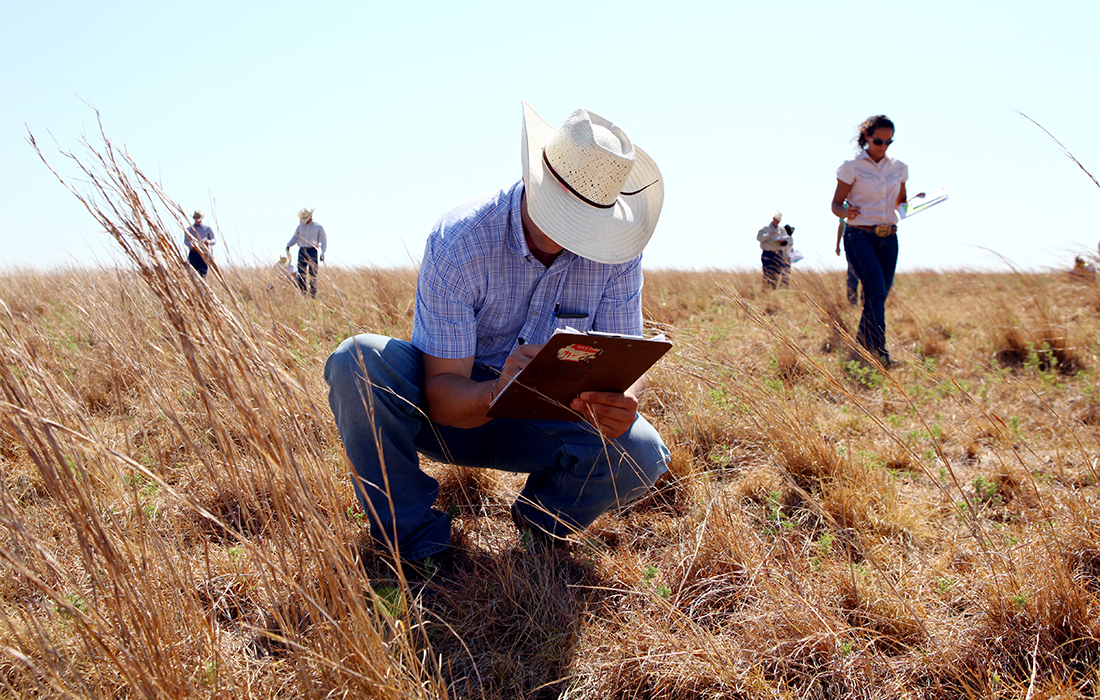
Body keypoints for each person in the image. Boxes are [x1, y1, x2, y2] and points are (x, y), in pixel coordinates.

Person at [324, 101, 669, 571]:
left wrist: (621, 399)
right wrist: (497, 389)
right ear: (534, 176)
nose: (569, 235)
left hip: (548, 418)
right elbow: (442, 395)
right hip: (451, 409)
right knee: (358, 362)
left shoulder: (617, 254)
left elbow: (625, 363)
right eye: (562, 211)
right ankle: (415, 542)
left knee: (642, 453)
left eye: (585, 222)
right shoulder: (461, 238)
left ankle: (542, 526)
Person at [831, 115, 919, 367]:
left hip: (889, 238)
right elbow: (836, 204)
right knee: (876, 291)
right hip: (860, 236)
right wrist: (844, 212)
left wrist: (919, 201)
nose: (884, 146)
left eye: (889, 141)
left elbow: (900, 203)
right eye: (879, 141)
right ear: (867, 138)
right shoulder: (852, 167)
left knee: (878, 295)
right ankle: (880, 354)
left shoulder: (899, 168)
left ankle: (862, 345)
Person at [286, 208, 327, 297]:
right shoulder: (300, 227)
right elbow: (295, 237)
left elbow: (323, 240)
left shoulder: (318, 227)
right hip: (302, 251)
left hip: (312, 251)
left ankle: (313, 294)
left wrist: (322, 253)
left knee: (313, 273)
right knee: (301, 273)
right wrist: (289, 245)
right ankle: (303, 293)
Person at [757, 212, 793, 289]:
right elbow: (759, 238)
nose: (778, 221)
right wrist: (769, 235)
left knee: (777, 273)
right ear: (773, 219)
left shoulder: (781, 230)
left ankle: (774, 289)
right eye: (777, 220)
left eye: (779, 220)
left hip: (778, 253)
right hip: (768, 253)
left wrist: (782, 241)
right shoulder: (765, 228)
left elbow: (785, 242)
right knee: (768, 272)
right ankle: (766, 289)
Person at [834, 217, 860, 306]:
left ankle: (866, 301)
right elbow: (841, 226)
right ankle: (852, 301)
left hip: (866, 239)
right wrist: (837, 245)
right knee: (852, 272)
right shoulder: (846, 204)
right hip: (851, 241)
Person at [184, 210, 215, 277]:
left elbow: (214, 240)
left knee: (203, 275)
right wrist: (192, 245)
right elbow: (186, 241)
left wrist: (208, 242)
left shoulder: (207, 229)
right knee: (192, 275)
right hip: (193, 253)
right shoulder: (189, 229)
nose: (198, 221)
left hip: (203, 254)